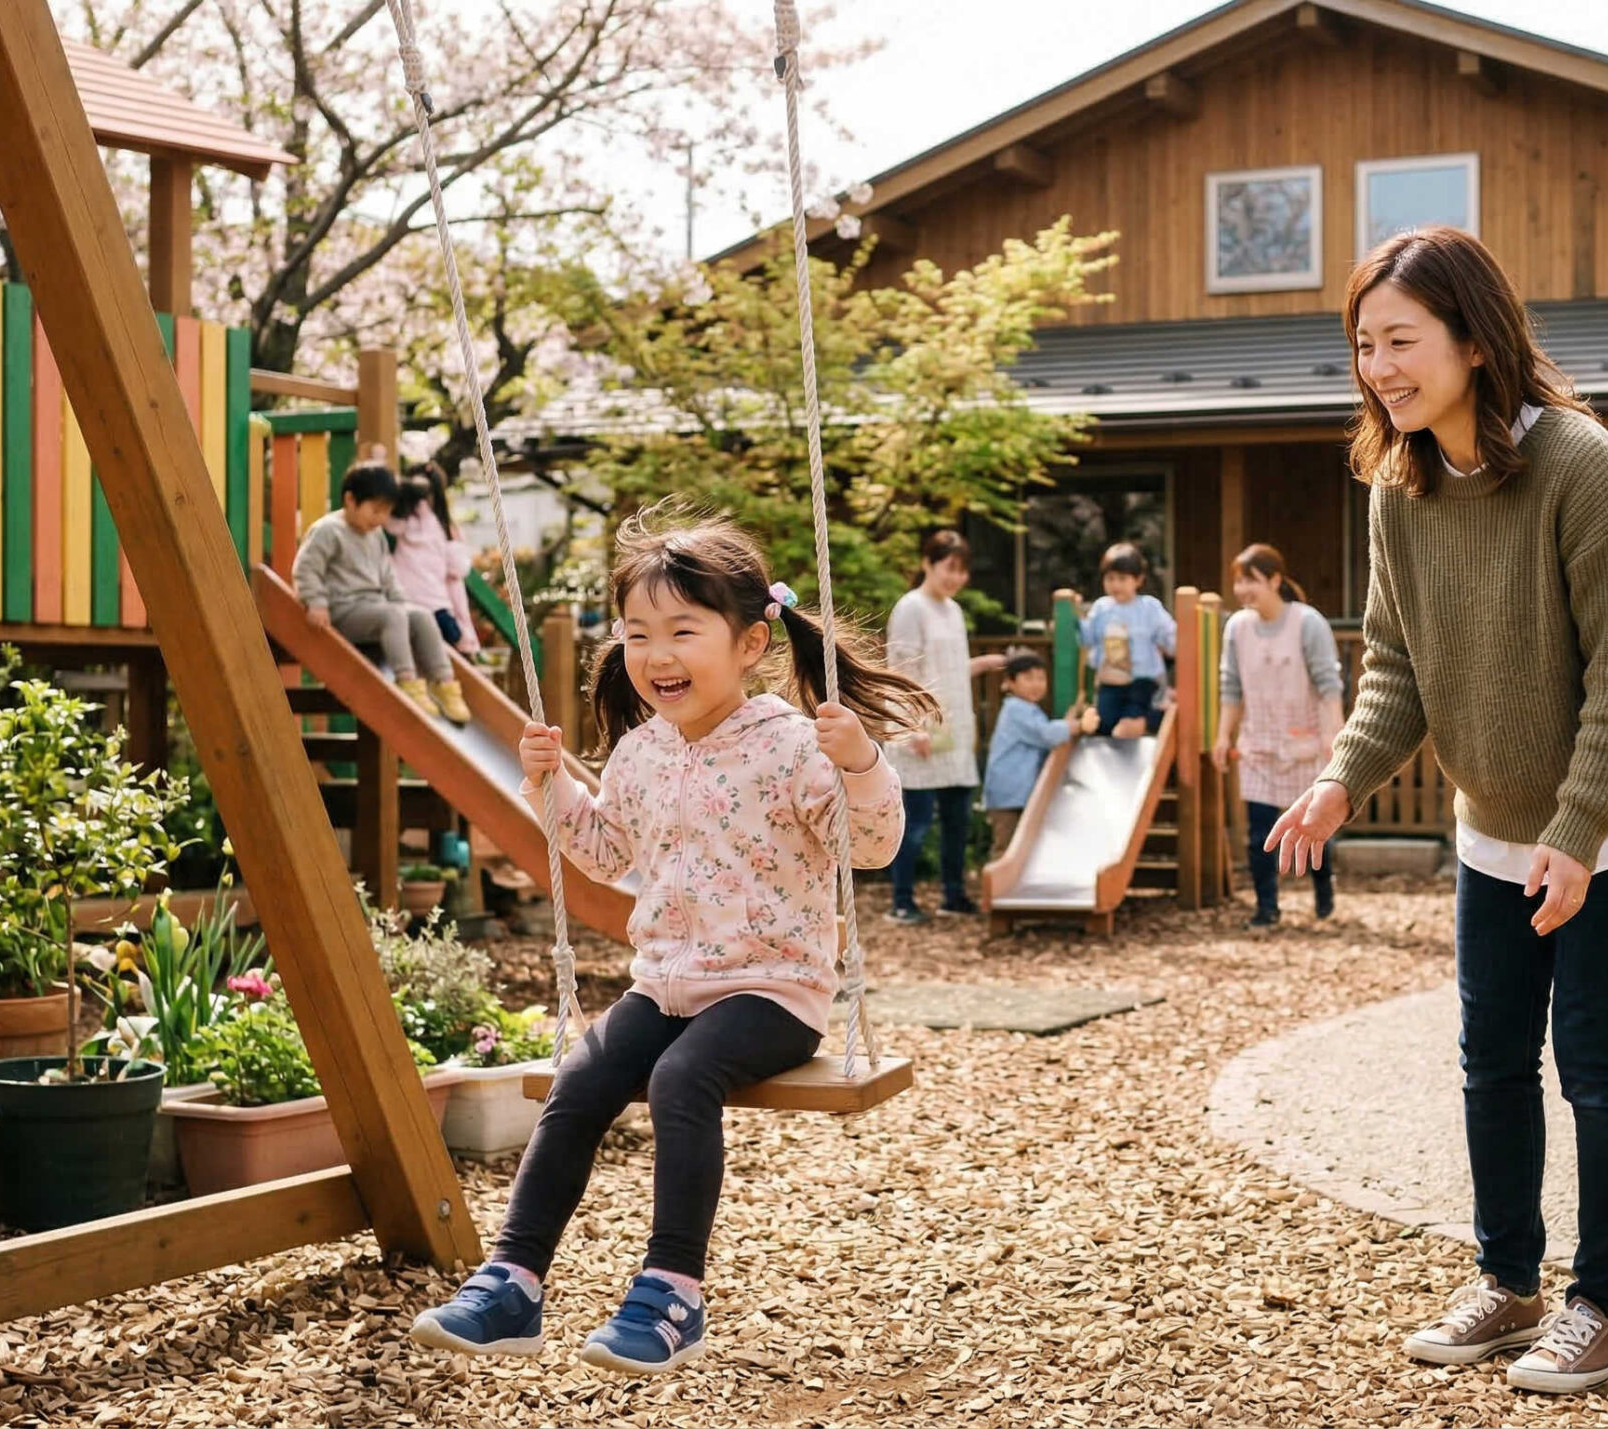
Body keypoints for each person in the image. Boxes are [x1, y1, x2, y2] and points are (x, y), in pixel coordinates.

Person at [1264, 226, 1608, 1395]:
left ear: (1474, 339)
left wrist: (1573, 838)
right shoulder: (1397, 486)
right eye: (1363, 344)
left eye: (1401, 341)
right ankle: (1509, 1282)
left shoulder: (1582, 467)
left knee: (1593, 1059)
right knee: (1488, 1061)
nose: (1379, 367)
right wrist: (1335, 778)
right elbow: (1399, 672)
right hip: (1494, 820)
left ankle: (1605, 1308)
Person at [408, 505, 937, 1374]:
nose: (656, 655)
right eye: (637, 633)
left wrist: (860, 764)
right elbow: (610, 851)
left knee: (680, 1076)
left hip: (774, 989)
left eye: (683, 630)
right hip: (669, 984)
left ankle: (672, 1291)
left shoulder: (793, 745)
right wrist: (553, 788)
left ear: (751, 643)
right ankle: (513, 1282)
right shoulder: (641, 752)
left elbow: (870, 846)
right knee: (579, 1078)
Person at [1212, 543, 1343, 928]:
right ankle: (1266, 907)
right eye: (1238, 582)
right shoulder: (1236, 628)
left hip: (1305, 742)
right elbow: (1231, 687)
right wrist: (1224, 736)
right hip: (1259, 744)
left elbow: (1328, 685)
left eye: (1250, 580)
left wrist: (1333, 736)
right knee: (1258, 834)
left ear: (1274, 580)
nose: (1242, 590)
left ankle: (1324, 891)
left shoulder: (1307, 622)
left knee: (1314, 826)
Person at [884, 530, 1007, 925]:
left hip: (954, 727)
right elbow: (900, 671)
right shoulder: (910, 608)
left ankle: (953, 894)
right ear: (927, 563)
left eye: (962, 571)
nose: (955, 578)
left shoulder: (953, 611)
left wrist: (983, 664)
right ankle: (902, 900)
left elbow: (947, 670)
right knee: (915, 823)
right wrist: (909, 728)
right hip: (920, 728)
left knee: (958, 818)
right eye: (948, 568)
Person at [292, 461, 470, 725]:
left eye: (386, 512)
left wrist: (402, 605)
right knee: (393, 615)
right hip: (342, 611)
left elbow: (388, 577)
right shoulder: (329, 531)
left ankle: (443, 682)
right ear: (350, 500)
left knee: (421, 615)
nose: (380, 519)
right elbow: (306, 569)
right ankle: (407, 681)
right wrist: (316, 602)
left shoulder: (375, 536)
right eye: (374, 510)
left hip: (375, 607)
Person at [981, 651, 1097, 853]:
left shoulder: (1030, 710)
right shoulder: (1016, 709)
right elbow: (1045, 734)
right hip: (1009, 794)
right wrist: (1078, 725)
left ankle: (1009, 884)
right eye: (1028, 678)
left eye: (1041, 678)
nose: (1036, 684)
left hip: (1021, 793)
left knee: (1024, 848)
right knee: (1007, 847)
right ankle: (997, 884)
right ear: (1010, 682)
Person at [1078, 542, 1178, 739]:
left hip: (1142, 679)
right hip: (1110, 678)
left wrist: (1176, 646)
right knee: (1105, 724)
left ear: (1138, 580)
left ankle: (1151, 717)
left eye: (1122, 579)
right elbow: (1088, 637)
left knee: (1130, 722)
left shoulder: (1149, 607)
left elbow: (1169, 635)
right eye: (1110, 578)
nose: (1115, 585)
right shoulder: (1101, 608)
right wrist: (1073, 618)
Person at [389, 463, 482, 656]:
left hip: (405, 600)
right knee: (450, 643)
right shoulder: (443, 527)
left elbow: (392, 526)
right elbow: (458, 568)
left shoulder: (402, 521)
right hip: (435, 603)